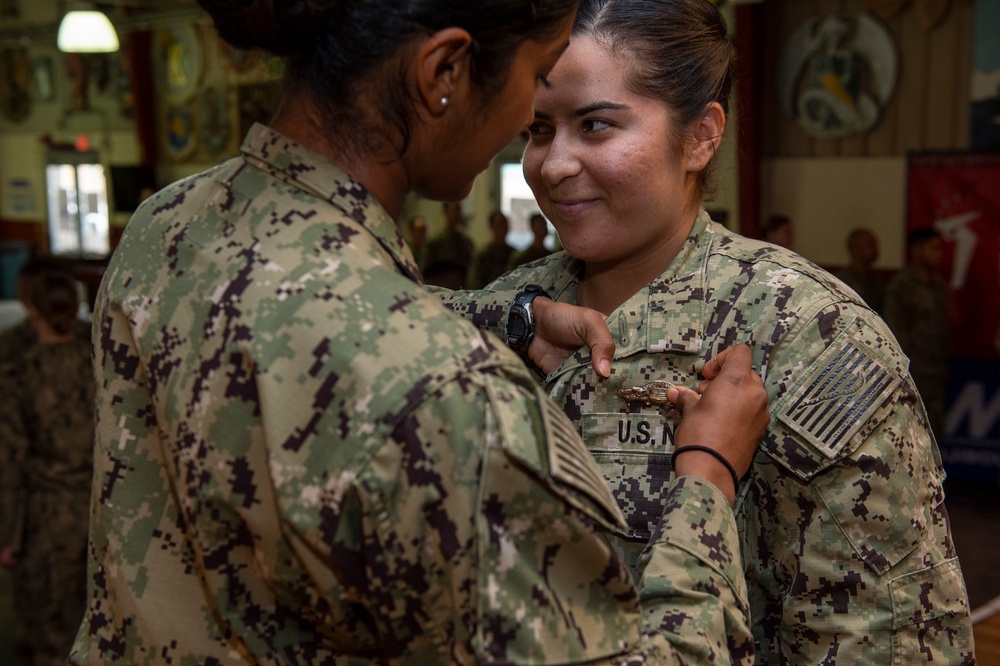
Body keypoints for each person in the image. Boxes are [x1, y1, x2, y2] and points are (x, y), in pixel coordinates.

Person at [70, 1, 772, 663]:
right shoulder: (455, 396)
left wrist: (512, 317)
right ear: (444, 75)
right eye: (531, 88)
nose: (532, 139)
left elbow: (305, 313)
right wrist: (707, 473)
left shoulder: (168, 227)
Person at [441, 1, 975, 663]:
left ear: (699, 136)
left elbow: (880, 640)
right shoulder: (508, 311)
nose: (552, 165)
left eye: (596, 125)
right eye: (539, 130)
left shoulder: (810, 335)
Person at [0, 264, 94, 666]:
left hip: (45, 519)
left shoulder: (19, 371)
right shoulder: (100, 358)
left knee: (47, 628)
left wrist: (7, 534)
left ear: (31, 309)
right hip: (100, 510)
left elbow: (10, 459)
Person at [884, 227, 950, 439]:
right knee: (908, 432)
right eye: (933, 248)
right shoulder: (901, 285)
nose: (938, 254)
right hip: (911, 373)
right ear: (918, 250)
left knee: (934, 434)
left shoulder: (939, 286)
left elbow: (943, 328)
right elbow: (894, 331)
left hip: (934, 373)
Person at [423, 200, 475, 288]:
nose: (457, 214)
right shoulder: (435, 243)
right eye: (454, 210)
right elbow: (426, 273)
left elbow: (472, 270)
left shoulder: (466, 243)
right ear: (445, 212)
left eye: (459, 210)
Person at [835, 227, 885, 313]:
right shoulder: (841, 282)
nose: (875, 250)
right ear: (854, 249)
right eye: (870, 245)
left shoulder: (877, 281)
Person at [470, 210, 515, 288]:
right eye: (501, 224)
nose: (504, 227)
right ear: (492, 227)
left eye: (505, 223)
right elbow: (475, 284)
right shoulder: (483, 255)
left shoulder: (513, 253)